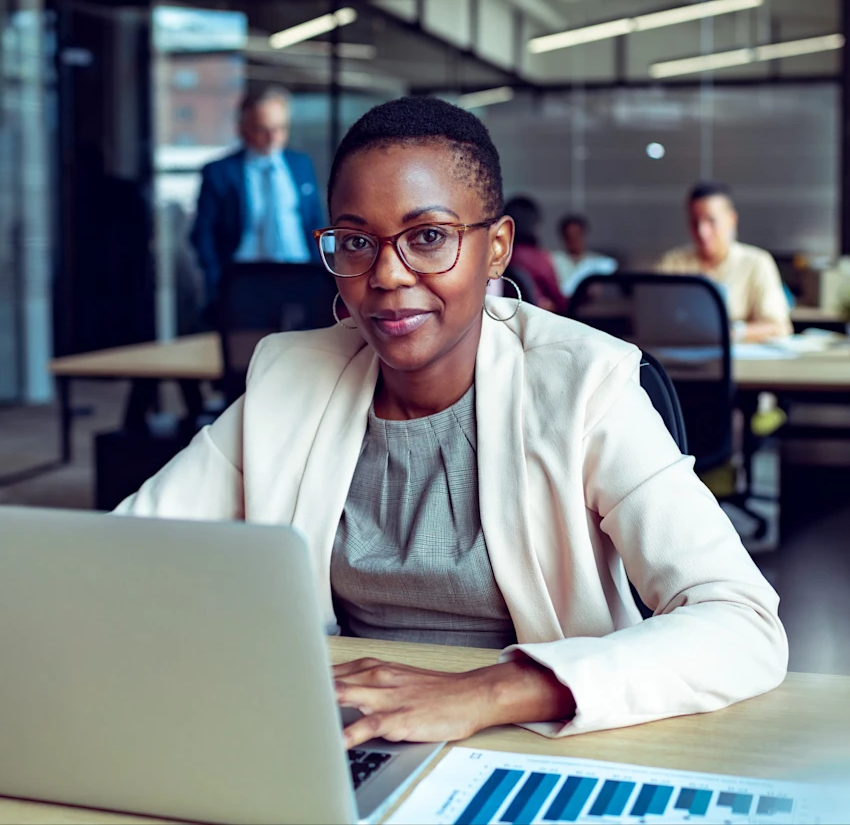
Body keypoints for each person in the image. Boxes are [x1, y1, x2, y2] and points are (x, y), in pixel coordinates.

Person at [116, 97, 786, 748]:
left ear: (496, 248)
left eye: (428, 237)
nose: (385, 274)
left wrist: (481, 692)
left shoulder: (585, 384)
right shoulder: (290, 377)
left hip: (540, 741)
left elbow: (743, 621)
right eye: (355, 240)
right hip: (348, 736)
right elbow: (120, 554)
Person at [190, 87, 324, 309]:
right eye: (263, 129)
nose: (273, 138)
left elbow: (313, 222)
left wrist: (321, 274)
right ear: (242, 129)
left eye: (280, 128)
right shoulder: (220, 172)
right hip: (245, 280)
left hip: (300, 275)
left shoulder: (301, 164)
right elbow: (203, 233)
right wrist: (217, 282)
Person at [657, 182, 792, 342]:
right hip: (680, 359)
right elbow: (655, 320)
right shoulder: (672, 263)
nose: (702, 231)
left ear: (731, 220)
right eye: (695, 222)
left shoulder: (757, 262)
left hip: (740, 361)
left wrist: (732, 332)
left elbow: (778, 326)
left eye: (711, 221)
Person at [504, 196, 567, 314]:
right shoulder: (539, 258)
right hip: (539, 318)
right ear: (533, 225)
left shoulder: (500, 256)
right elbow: (561, 302)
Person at [552, 214, 617, 297]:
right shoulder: (554, 260)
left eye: (577, 235)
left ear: (584, 235)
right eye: (570, 236)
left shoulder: (599, 263)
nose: (574, 240)